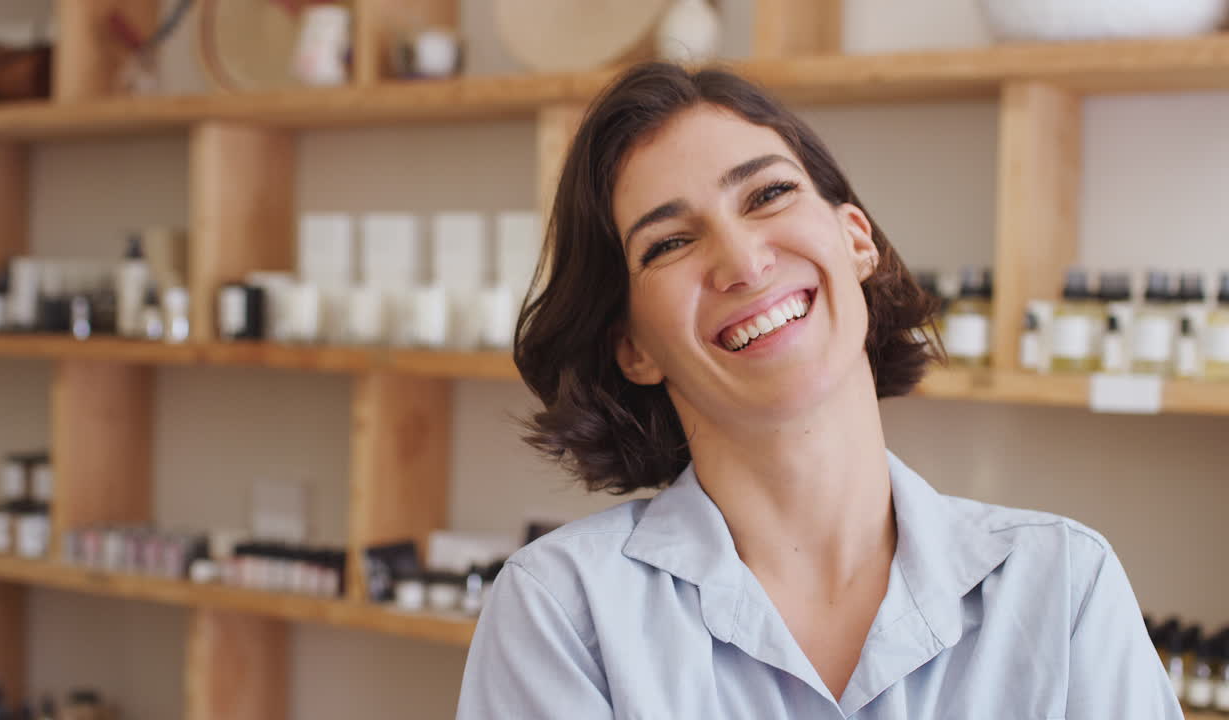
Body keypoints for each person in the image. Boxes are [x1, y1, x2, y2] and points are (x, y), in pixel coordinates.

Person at [456, 62, 1180, 719]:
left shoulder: (1062, 586)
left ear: (857, 239)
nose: (742, 261)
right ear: (633, 347)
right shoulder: (563, 612)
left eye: (769, 194)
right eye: (670, 243)